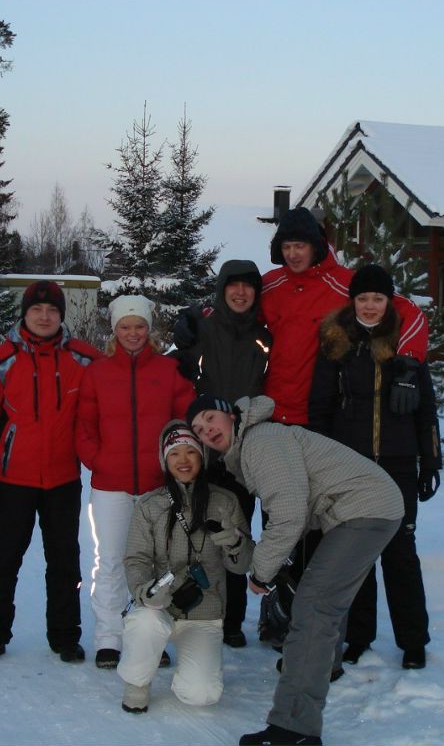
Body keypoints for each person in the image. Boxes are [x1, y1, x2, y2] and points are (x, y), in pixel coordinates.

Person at [189, 393, 404, 746]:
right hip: (361, 509)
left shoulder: (261, 441)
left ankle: (294, 730)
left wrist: (261, 572)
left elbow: (288, 513)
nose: (206, 430)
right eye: (199, 429)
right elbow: (296, 506)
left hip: (363, 508)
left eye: (210, 419)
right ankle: (312, 689)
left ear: (230, 416)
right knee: (319, 606)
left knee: (314, 608)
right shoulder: (250, 448)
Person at [309, 264, 442, 670]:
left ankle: (413, 640)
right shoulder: (336, 343)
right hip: (351, 466)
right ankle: (359, 635)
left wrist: (430, 459)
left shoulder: (405, 346)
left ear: (389, 302)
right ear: (353, 301)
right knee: (357, 555)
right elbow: (321, 406)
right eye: (363, 298)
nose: (369, 306)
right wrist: (319, 461)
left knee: (401, 552)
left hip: (398, 463)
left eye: (377, 299)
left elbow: (427, 409)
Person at [0, 280, 101, 666]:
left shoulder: (83, 359)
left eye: (52, 311)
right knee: (3, 560)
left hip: (62, 482)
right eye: (37, 310)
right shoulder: (2, 360)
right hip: (12, 483)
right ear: (24, 315)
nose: (44, 317)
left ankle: (65, 636)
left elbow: (122, 384)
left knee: (65, 562)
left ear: (61, 316)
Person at [76, 294, 197, 669]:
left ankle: (151, 635)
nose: (133, 333)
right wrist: (97, 459)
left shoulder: (165, 371)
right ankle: (108, 638)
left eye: (139, 326)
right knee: (110, 560)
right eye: (125, 327)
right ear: (114, 330)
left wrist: (172, 467)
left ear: (149, 329)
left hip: (156, 485)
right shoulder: (97, 372)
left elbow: (185, 421)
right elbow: (84, 426)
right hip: (109, 484)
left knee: (157, 563)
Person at [118, 420, 255, 714]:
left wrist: (235, 543)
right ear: (165, 460)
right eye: (174, 453)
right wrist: (144, 590)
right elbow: (136, 558)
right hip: (160, 606)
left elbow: (243, 565)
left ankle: (192, 674)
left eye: (191, 453)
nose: (183, 460)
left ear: (202, 457)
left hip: (204, 611)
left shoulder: (225, 501)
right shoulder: (150, 505)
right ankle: (137, 682)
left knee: (202, 694)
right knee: (144, 623)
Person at [171, 259, 271, 647]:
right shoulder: (203, 327)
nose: (241, 293)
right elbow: (172, 369)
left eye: (248, 287)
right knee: (198, 530)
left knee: (237, 534)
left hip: (246, 451)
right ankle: (197, 608)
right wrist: (187, 319)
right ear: (222, 289)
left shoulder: (265, 335)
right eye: (234, 286)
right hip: (203, 450)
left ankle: (231, 621)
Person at [260, 207, 429, 426]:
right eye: (287, 247)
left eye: (300, 246)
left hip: (322, 415)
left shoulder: (346, 285)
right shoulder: (270, 285)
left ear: (315, 246)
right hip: (273, 411)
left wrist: (406, 366)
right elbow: (233, 314)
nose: (293, 254)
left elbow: (413, 314)